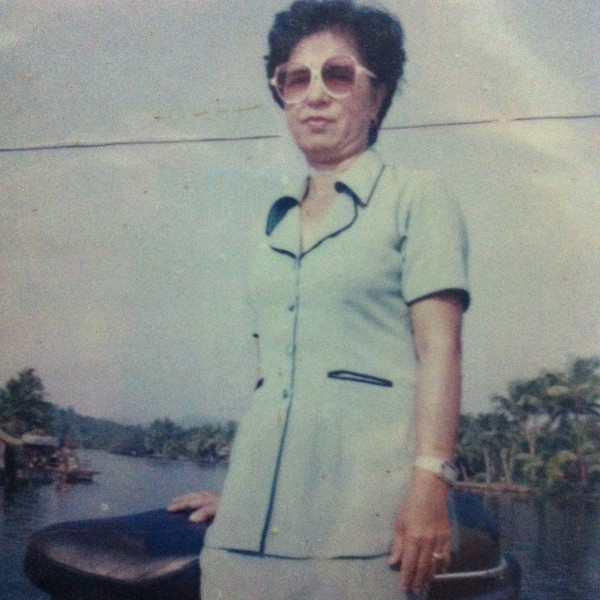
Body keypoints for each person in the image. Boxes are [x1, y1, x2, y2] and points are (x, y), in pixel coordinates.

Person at [168, 1, 469, 598]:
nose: (314, 96)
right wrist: (246, 493)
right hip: (244, 534)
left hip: (366, 532)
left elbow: (441, 352)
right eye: (294, 79)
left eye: (337, 75)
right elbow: (277, 381)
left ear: (376, 97)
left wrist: (431, 484)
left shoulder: (417, 197)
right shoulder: (273, 225)